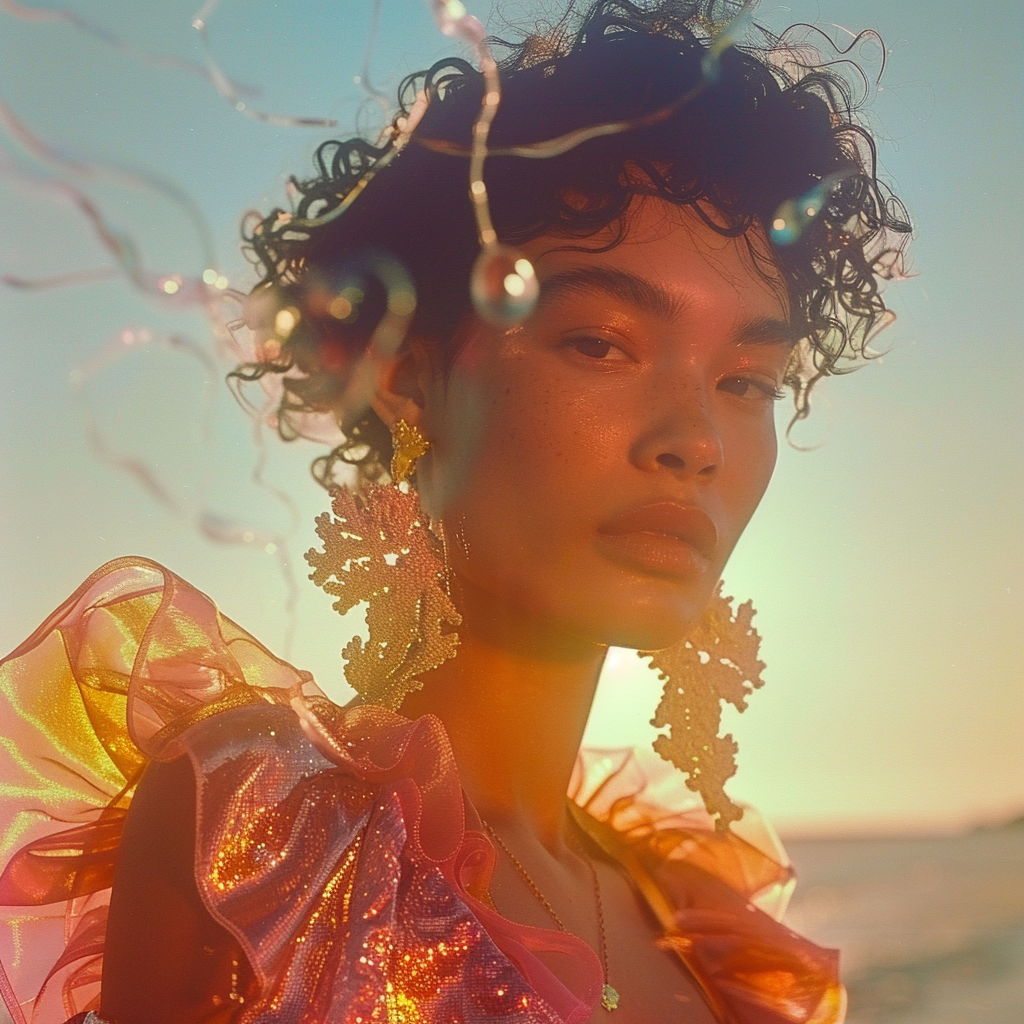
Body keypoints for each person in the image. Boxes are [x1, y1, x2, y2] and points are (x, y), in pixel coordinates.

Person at [0, 1, 910, 1022]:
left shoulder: (710, 935)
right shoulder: (260, 835)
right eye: (602, 342)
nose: (694, 439)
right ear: (404, 375)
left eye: (747, 380)